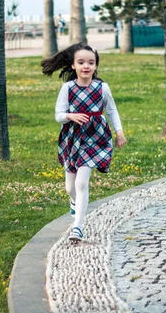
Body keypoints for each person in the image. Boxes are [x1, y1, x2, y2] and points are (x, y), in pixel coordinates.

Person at [42, 43, 127, 242]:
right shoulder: (68, 88)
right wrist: (71, 116)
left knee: (81, 183)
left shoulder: (102, 87)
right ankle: (74, 202)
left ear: (96, 66)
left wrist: (119, 132)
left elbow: (112, 110)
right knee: (70, 188)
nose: (86, 66)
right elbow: (58, 115)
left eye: (91, 62)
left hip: (96, 137)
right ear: (73, 66)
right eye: (81, 62)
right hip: (72, 138)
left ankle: (77, 227)